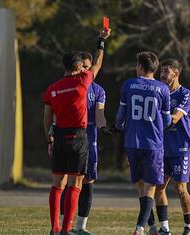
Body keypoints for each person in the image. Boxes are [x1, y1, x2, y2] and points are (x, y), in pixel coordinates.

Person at [43, 28, 111, 235]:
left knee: (57, 184)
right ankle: (67, 228)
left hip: (60, 137)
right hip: (78, 137)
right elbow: (98, 63)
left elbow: (46, 118)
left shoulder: (52, 88)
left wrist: (50, 139)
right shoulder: (82, 82)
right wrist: (101, 41)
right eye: (82, 66)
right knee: (76, 183)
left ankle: (54, 227)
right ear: (78, 67)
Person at [115, 51, 171, 235]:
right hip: (153, 143)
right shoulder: (163, 89)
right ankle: (140, 228)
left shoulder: (129, 84)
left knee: (140, 185)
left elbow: (119, 117)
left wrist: (118, 126)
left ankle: (152, 227)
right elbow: (167, 121)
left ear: (140, 67)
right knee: (150, 187)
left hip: (132, 141)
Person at [59, 51, 111, 234]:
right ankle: (64, 224)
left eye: (88, 68)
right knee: (67, 181)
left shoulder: (98, 91)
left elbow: (99, 114)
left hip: (90, 140)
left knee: (88, 181)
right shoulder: (72, 86)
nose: (86, 71)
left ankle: (81, 227)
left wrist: (104, 127)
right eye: (83, 68)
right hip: (71, 137)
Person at [153, 58, 190, 235]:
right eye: (161, 71)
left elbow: (175, 118)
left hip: (181, 148)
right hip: (161, 148)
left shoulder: (185, 94)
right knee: (158, 187)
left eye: (166, 71)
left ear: (176, 74)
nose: (162, 74)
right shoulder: (157, 92)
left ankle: (189, 228)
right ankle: (164, 227)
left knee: (180, 189)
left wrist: (151, 122)